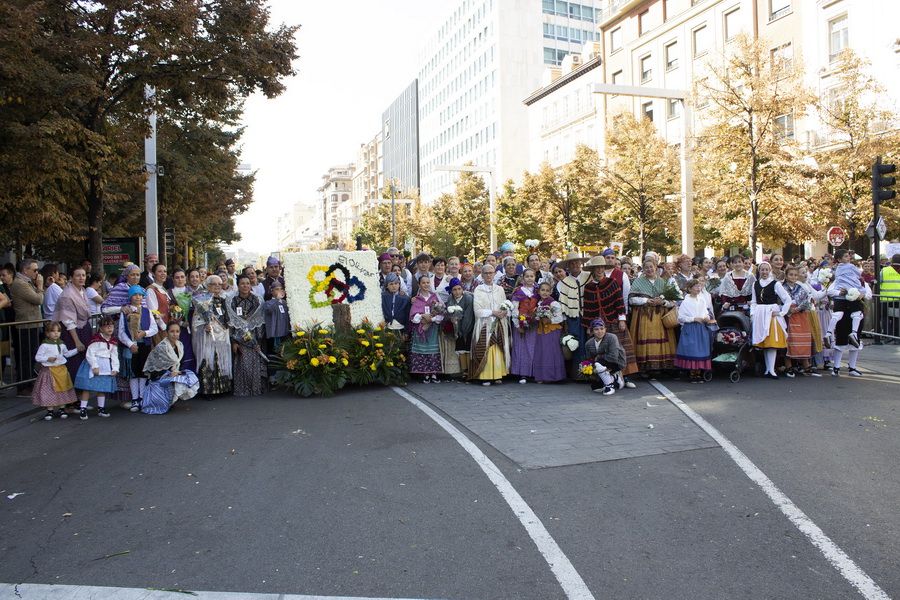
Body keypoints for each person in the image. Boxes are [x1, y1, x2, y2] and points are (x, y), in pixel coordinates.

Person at [581, 256, 638, 385]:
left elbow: (619, 302)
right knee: (603, 351)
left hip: (613, 321)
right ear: (593, 270)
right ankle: (608, 377)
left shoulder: (612, 282)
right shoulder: (589, 287)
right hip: (599, 325)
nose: (600, 270)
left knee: (621, 348)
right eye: (597, 268)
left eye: (601, 267)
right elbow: (588, 308)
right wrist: (588, 326)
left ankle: (626, 376)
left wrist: (622, 319)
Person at [628, 256, 677, 374]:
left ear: (656, 267)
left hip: (661, 317)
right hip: (644, 316)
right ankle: (645, 367)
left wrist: (663, 302)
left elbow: (672, 301)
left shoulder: (662, 282)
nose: (649, 269)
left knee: (661, 339)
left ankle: (661, 367)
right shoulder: (638, 281)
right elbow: (631, 300)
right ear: (643, 269)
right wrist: (646, 301)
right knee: (645, 338)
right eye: (646, 267)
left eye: (651, 267)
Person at [142, 322, 200, 414]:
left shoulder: (180, 345)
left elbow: (178, 364)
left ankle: (172, 399)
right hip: (158, 379)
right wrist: (168, 373)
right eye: (172, 331)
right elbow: (153, 371)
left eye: (177, 331)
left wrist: (177, 372)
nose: (175, 334)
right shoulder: (161, 347)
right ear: (167, 333)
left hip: (171, 375)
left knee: (190, 375)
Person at [470, 264, 510, 385]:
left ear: (494, 274)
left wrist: (504, 312)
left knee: (498, 348)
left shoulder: (500, 289)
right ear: (481, 275)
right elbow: (477, 311)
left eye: (491, 273)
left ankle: (498, 374)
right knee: (484, 348)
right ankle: (485, 375)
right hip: (484, 324)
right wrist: (493, 312)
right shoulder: (478, 289)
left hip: (499, 324)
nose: (489, 275)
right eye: (486, 273)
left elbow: (505, 305)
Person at [751, 262, 792, 379]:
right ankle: (768, 369)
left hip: (771, 314)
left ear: (769, 271)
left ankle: (771, 369)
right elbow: (754, 301)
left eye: (766, 270)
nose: (764, 272)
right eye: (762, 270)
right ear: (759, 271)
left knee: (771, 343)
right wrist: (753, 314)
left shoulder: (775, 284)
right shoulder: (755, 284)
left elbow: (787, 299)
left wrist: (781, 312)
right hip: (760, 314)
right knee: (765, 342)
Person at [119, 285, 158, 410]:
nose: (138, 297)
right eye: (135, 295)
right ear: (130, 296)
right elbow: (121, 332)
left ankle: (142, 397)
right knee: (133, 372)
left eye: (140, 295)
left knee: (143, 372)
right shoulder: (125, 312)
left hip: (144, 345)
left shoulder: (147, 311)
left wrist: (145, 333)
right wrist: (130, 344)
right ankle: (135, 398)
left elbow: (154, 328)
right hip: (132, 346)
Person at [192, 275, 232, 397]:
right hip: (208, 336)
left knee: (221, 360)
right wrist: (204, 326)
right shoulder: (202, 299)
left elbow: (227, 316)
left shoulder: (223, 299)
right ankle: (209, 390)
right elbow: (195, 319)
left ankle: (223, 389)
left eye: (219, 284)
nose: (217, 287)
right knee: (209, 360)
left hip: (222, 334)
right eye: (214, 284)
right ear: (208, 286)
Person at [228, 274, 267, 397]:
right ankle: (242, 389)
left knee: (255, 362)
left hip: (253, 337)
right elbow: (231, 321)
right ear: (238, 285)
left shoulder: (257, 299)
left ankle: (255, 388)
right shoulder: (232, 300)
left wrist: (257, 340)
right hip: (238, 337)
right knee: (241, 362)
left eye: (247, 283)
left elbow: (260, 320)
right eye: (242, 283)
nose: (245, 286)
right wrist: (234, 340)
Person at [73, 316, 119, 420]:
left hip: (106, 366)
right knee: (87, 388)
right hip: (94, 365)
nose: (109, 328)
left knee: (101, 388)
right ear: (101, 328)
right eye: (106, 326)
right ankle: (83, 408)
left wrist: (115, 368)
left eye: (111, 326)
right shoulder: (96, 340)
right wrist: (94, 366)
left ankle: (101, 408)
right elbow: (90, 354)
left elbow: (115, 356)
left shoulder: (113, 342)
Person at [9, 258, 45, 392]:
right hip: (26, 326)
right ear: (25, 270)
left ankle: (29, 383)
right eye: (35, 270)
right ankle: (24, 386)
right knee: (26, 357)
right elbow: (38, 299)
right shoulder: (20, 283)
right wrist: (40, 287)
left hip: (33, 324)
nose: (37, 273)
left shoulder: (27, 282)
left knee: (31, 356)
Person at [32, 322, 79, 420]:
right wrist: (47, 358)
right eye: (53, 331)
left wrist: (77, 350)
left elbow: (67, 354)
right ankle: (50, 410)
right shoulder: (44, 345)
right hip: (49, 371)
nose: (56, 333)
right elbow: (38, 357)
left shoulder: (61, 344)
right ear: (47, 333)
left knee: (63, 389)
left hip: (61, 370)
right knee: (50, 390)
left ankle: (62, 408)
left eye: (58, 331)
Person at [52, 268, 92, 381]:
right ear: (71, 278)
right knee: (74, 364)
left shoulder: (83, 291)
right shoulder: (67, 295)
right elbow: (68, 321)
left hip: (84, 328)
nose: (81, 278)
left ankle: (82, 392)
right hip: (71, 333)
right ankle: (73, 394)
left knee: (84, 362)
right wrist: (77, 341)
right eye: (78, 275)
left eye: (83, 275)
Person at [555, 252, 590, 372]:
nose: (575, 265)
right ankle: (578, 372)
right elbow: (563, 304)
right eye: (572, 263)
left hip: (589, 315)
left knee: (590, 342)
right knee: (575, 342)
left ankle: (592, 370)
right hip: (573, 317)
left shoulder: (588, 276)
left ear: (581, 263)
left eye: (577, 262)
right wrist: (565, 321)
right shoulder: (564, 282)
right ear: (568, 266)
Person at [782, 266, 819, 377]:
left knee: (803, 339)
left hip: (801, 315)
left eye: (795, 275)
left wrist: (798, 308)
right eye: (791, 275)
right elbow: (779, 300)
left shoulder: (800, 287)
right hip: (788, 316)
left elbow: (807, 301)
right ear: (786, 276)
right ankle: (788, 366)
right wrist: (788, 310)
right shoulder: (782, 287)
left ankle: (806, 365)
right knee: (789, 340)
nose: (793, 277)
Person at [675, 280, 715, 383]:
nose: (698, 288)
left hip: (701, 327)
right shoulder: (686, 301)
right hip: (691, 328)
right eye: (696, 286)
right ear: (690, 289)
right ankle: (692, 373)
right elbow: (680, 318)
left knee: (701, 349)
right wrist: (693, 319)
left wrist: (706, 317)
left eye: (699, 286)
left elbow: (705, 312)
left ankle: (698, 372)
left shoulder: (701, 299)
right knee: (692, 349)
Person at [825, 249, 865, 349]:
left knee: (837, 314)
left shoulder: (837, 269)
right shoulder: (851, 266)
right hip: (852, 292)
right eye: (846, 256)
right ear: (839, 259)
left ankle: (829, 333)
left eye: (848, 256)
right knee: (857, 314)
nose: (849, 258)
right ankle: (854, 333)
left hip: (840, 295)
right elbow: (859, 274)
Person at [409, 276, 444, 383]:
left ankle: (433, 373)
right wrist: (423, 316)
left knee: (433, 351)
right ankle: (424, 373)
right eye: (423, 283)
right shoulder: (417, 299)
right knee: (423, 351)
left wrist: (432, 318)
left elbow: (441, 314)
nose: (426, 285)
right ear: (419, 285)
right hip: (421, 330)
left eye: (428, 282)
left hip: (432, 330)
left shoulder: (434, 298)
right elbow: (413, 317)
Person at [532, 281, 566, 383]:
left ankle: (554, 376)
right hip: (541, 330)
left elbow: (560, 318)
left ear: (551, 292)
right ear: (538, 291)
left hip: (552, 330)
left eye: (547, 290)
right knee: (542, 352)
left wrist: (550, 320)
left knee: (552, 352)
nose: (545, 293)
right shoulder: (538, 303)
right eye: (543, 290)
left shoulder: (553, 303)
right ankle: (542, 376)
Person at [509, 269, 539, 384]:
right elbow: (514, 308)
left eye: (532, 276)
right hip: (521, 322)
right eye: (527, 276)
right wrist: (517, 323)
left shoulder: (537, 291)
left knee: (533, 348)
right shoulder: (518, 291)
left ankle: (533, 372)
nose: (529, 278)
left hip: (533, 323)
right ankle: (522, 373)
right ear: (523, 278)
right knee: (521, 348)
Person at [442, 277, 475, 378]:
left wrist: (463, 331)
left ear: (462, 289)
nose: (457, 292)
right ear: (451, 291)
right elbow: (448, 313)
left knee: (468, 348)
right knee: (460, 348)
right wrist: (451, 320)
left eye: (459, 289)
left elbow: (468, 316)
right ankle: (464, 371)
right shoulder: (450, 299)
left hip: (468, 327)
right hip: (456, 327)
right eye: (454, 289)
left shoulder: (468, 298)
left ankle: (470, 370)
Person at [584, 320, 625, 395]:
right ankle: (614, 378)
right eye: (596, 329)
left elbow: (614, 356)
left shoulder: (612, 337)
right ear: (592, 331)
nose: (600, 331)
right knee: (596, 388)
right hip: (601, 364)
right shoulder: (588, 344)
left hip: (617, 362)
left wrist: (598, 358)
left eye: (602, 328)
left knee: (598, 364)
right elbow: (589, 359)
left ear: (605, 329)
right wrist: (587, 368)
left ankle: (609, 386)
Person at [146, 262, 174, 345]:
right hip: (159, 330)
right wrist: (165, 329)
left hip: (168, 328)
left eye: (165, 271)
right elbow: (153, 312)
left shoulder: (164, 289)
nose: (163, 274)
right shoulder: (151, 290)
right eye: (160, 271)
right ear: (153, 274)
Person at [263, 281, 291, 356]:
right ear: (271, 291)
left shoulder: (284, 302)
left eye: (281, 289)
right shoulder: (268, 302)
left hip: (285, 332)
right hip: (275, 333)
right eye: (277, 289)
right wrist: (276, 300)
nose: (279, 291)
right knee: (276, 352)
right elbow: (269, 310)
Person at [878, 254, 900, 341]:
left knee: (885, 318)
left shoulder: (884, 270)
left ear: (891, 261)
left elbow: (878, 283)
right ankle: (897, 337)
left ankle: (888, 336)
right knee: (897, 318)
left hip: (885, 299)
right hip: (898, 300)